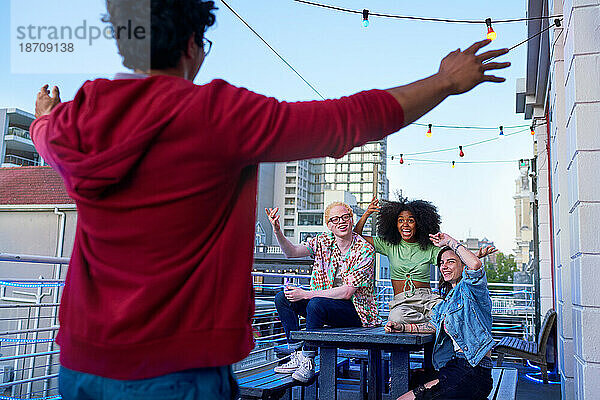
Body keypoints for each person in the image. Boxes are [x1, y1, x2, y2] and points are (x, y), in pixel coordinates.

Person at [30, 0, 510, 397]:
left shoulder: (76, 120)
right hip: (179, 367)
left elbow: (46, 137)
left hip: (82, 361)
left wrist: (42, 118)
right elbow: (346, 121)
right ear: (195, 45)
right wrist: (445, 81)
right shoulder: (218, 114)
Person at [266, 202, 378, 382]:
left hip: (355, 312)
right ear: (329, 225)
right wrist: (277, 229)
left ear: (351, 219)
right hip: (322, 306)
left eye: (345, 217)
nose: (341, 222)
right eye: (335, 219)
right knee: (282, 297)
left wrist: (306, 294)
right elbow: (291, 252)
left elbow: (347, 292)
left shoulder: (365, 249)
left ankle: (308, 360)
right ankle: (296, 354)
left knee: (315, 302)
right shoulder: (322, 241)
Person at [354, 197, 496, 328]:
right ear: (394, 224)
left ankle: (431, 325)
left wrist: (477, 255)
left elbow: (453, 261)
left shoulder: (429, 247)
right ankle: (431, 325)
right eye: (400, 220)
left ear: (419, 223)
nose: (405, 225)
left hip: (428, 299)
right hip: (402, 302)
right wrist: (366, 214)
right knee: (396, 317)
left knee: (450, 314)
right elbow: (356, 237)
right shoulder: (388, 244)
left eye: (410, 220)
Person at [386, 232, 495, 400]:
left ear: (462, 266)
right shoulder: (447, 301)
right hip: (455, 367)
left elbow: (475, 265)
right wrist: (402, 327)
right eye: (441, 263)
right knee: (404, 378)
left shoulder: (471, 289)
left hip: (473, 372)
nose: (444, 266)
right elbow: (433, 326)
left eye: (451, 261)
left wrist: (450, 241)